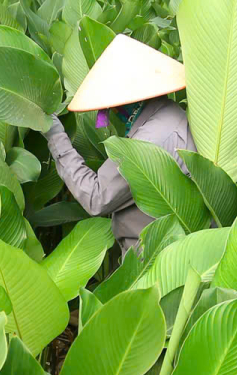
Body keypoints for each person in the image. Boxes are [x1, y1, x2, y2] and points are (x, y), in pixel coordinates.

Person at [43, 34, 196, 252]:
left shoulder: (147, 143)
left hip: (154, 260)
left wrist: (55, 135)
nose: (109, 109)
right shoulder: (171, 114)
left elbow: (96, 197)